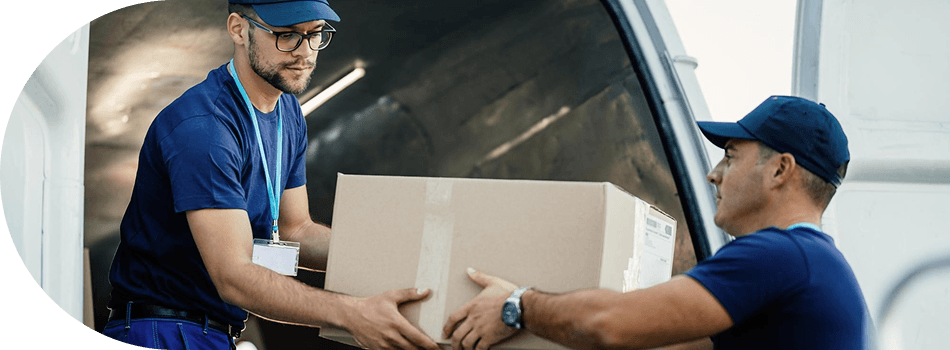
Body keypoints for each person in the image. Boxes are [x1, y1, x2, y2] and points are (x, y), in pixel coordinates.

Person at [103, 1, 439, 349]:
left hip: (213, 331)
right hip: (164, 331)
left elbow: (296, 229)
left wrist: (388, 255)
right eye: (286, 35)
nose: (305, 52)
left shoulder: (287, 111)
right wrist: (353, 313)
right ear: (238, 29)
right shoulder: (204, 128)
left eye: (315, 34)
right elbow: (233, 275)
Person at [442, 95, 869, 350]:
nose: (713, 174)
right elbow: (659, 342)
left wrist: (516, 305)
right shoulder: (818, 266)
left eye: (731, 156)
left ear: (780, 170)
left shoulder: (779, 256)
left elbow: (610, 325)